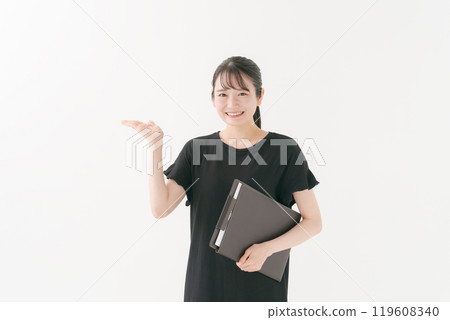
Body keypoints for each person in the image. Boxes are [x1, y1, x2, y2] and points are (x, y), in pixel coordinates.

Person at [122, 56, 322, 302]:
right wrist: (155, 149)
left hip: (261, 287)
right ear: (213, 98)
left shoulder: (284, 150)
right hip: (205, 285)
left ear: (259, 96)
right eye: (223, 94)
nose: (232, 103)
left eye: (242, 93)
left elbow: (313, 222)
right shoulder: (197, 150)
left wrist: (266, 249)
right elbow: (160, 209)